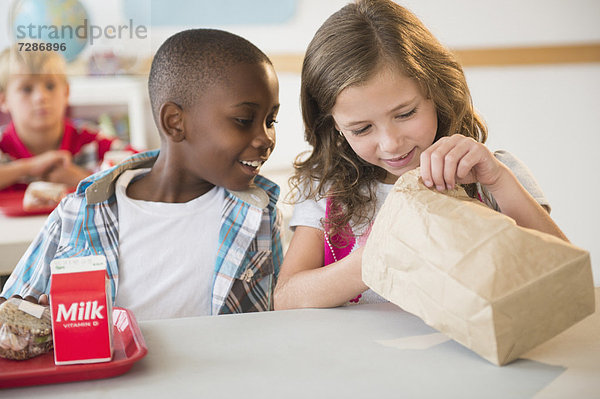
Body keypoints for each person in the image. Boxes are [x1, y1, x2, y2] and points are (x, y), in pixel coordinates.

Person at [274, 0, 567, 310]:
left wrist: (498, 181)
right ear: (333, 126)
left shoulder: (491, 176)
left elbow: (563, 274)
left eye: (406, 113)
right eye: (361, 129)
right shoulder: (324, 191)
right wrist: (379, 251)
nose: (390, 143)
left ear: (437, 92)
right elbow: (287, 299)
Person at [1, 29, 283, 320]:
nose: (266, 138)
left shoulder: (258, 213)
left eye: (270, 120)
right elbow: (9, 311)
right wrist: (40, 319)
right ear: (175, 122)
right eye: (244, 120)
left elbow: (279, 314)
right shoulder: (79, 214)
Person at [0, 45, 128, 192]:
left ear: (66, 92)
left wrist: (81, 179)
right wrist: (29, 167)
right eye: (27, 89)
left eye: (50, 86)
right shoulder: (2, 145)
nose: (41, 97)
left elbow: (149, 167)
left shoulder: (92, 142)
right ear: (3, 100)